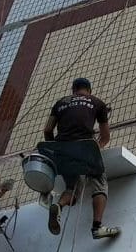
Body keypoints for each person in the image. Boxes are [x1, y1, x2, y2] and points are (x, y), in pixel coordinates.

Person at [41, 77, 120, 240]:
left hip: (62, 149)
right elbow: (105, 137)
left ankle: (59, 205)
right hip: (85, 146)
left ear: (73, 90)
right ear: (89, 90)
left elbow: (47, 130)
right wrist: (94, 150)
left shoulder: (60, 103)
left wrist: (56, 149)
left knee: (72, 188)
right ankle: (97, 227)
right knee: (99, 183)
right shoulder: (97, 103)